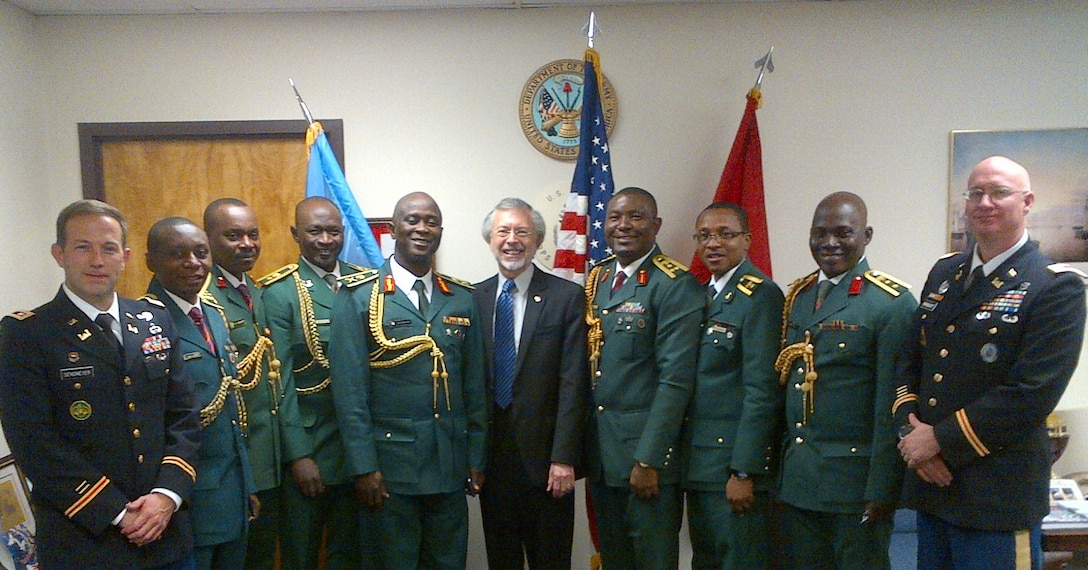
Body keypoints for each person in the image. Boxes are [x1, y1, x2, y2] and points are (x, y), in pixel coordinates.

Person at [895, 156, 1087, 569]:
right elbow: (910, 360)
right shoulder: (945, 273)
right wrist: (913, 437)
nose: (985, 202)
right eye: (975, 192)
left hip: (997, 494)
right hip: (932, 487)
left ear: (1028, 201)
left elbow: (1031, 393)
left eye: (999, 192)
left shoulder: (1055, 286)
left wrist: (938, 441)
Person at [0, 200, 201, 568]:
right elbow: (34, 443)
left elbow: (185, 416)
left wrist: (166, 495)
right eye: (82, 247)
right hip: (85, 540)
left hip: (166, 534)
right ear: (59, 254)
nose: (97, 260)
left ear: (124, 257)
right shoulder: (26, 334)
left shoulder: (154, 320)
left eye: (108, 248)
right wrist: (118, 513)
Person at [329, 191, 487, 569]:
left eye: (431, 222)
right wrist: (364, 466)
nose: (422, 228)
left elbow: (475, 387)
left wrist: (476, 456)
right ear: (393, 229)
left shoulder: (461, 298)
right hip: (390, 470)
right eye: (413, 220)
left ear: (441, 232)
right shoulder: (359, 296)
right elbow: (350, 394)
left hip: (449, 465)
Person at [775, 191, 916, 569]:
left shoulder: (891, 302)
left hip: (856, 484)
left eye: (843, 233)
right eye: (819, 233)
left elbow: (893, 401)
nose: (829, 243)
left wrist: (883, 487)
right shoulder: (800, 297)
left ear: (866, 236)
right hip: (801, 480)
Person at [584, 186, 703, 569]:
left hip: (645, 462)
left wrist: (649, 460)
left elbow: (676, 381)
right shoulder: (598, 278)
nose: (623, 226)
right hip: (603, 457)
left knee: (652, 561)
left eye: (635, 217)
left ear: (656, 225)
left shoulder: (674, 284)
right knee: (615, 560)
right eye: (615, 217)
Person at [472, 198, 589, 569]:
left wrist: (564, 458)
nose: (512, 240)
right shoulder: (474, 298)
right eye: (503, 231)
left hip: (547, 464)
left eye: (522, 231)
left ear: (537, 240)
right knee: (502, 561)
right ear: (490, 239)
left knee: (550, 561)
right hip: (493, 463)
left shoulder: (566, 297)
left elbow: (574, 383)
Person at [259, 196, 366, 569]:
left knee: (353, 554)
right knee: (300, 554)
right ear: (295, 235)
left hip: (360, 451)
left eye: (333, 231)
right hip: (311, 448)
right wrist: (298, 455)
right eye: (314, 231)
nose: (325, 240)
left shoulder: (364, 283)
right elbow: (279, 382)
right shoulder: (280, 292)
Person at [144, 217, 257, 570]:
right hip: (188, 500)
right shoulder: (146, 323)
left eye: (201, 253)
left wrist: (248, 485)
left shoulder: (212, 312)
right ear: (151, 262)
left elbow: (232, 405)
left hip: (232, 492)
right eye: (178, 254)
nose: (193, 263)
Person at [681, 201, 784, 570]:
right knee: (705, 562)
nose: (714, 243)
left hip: (732, 466)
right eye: (705, 235)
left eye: (726, 234)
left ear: (748, 240)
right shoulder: (700, 295)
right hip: (700, 463)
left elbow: (762, 391)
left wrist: (744, 471)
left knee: (739, 561)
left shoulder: (761, 296)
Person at [200, 198, 284, 570]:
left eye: (253, 234)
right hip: (230, 467)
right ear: (208, 239)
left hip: (270, 460)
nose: (247, 243)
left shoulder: (256, 290)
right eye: (233, 236)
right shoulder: (203, 298)